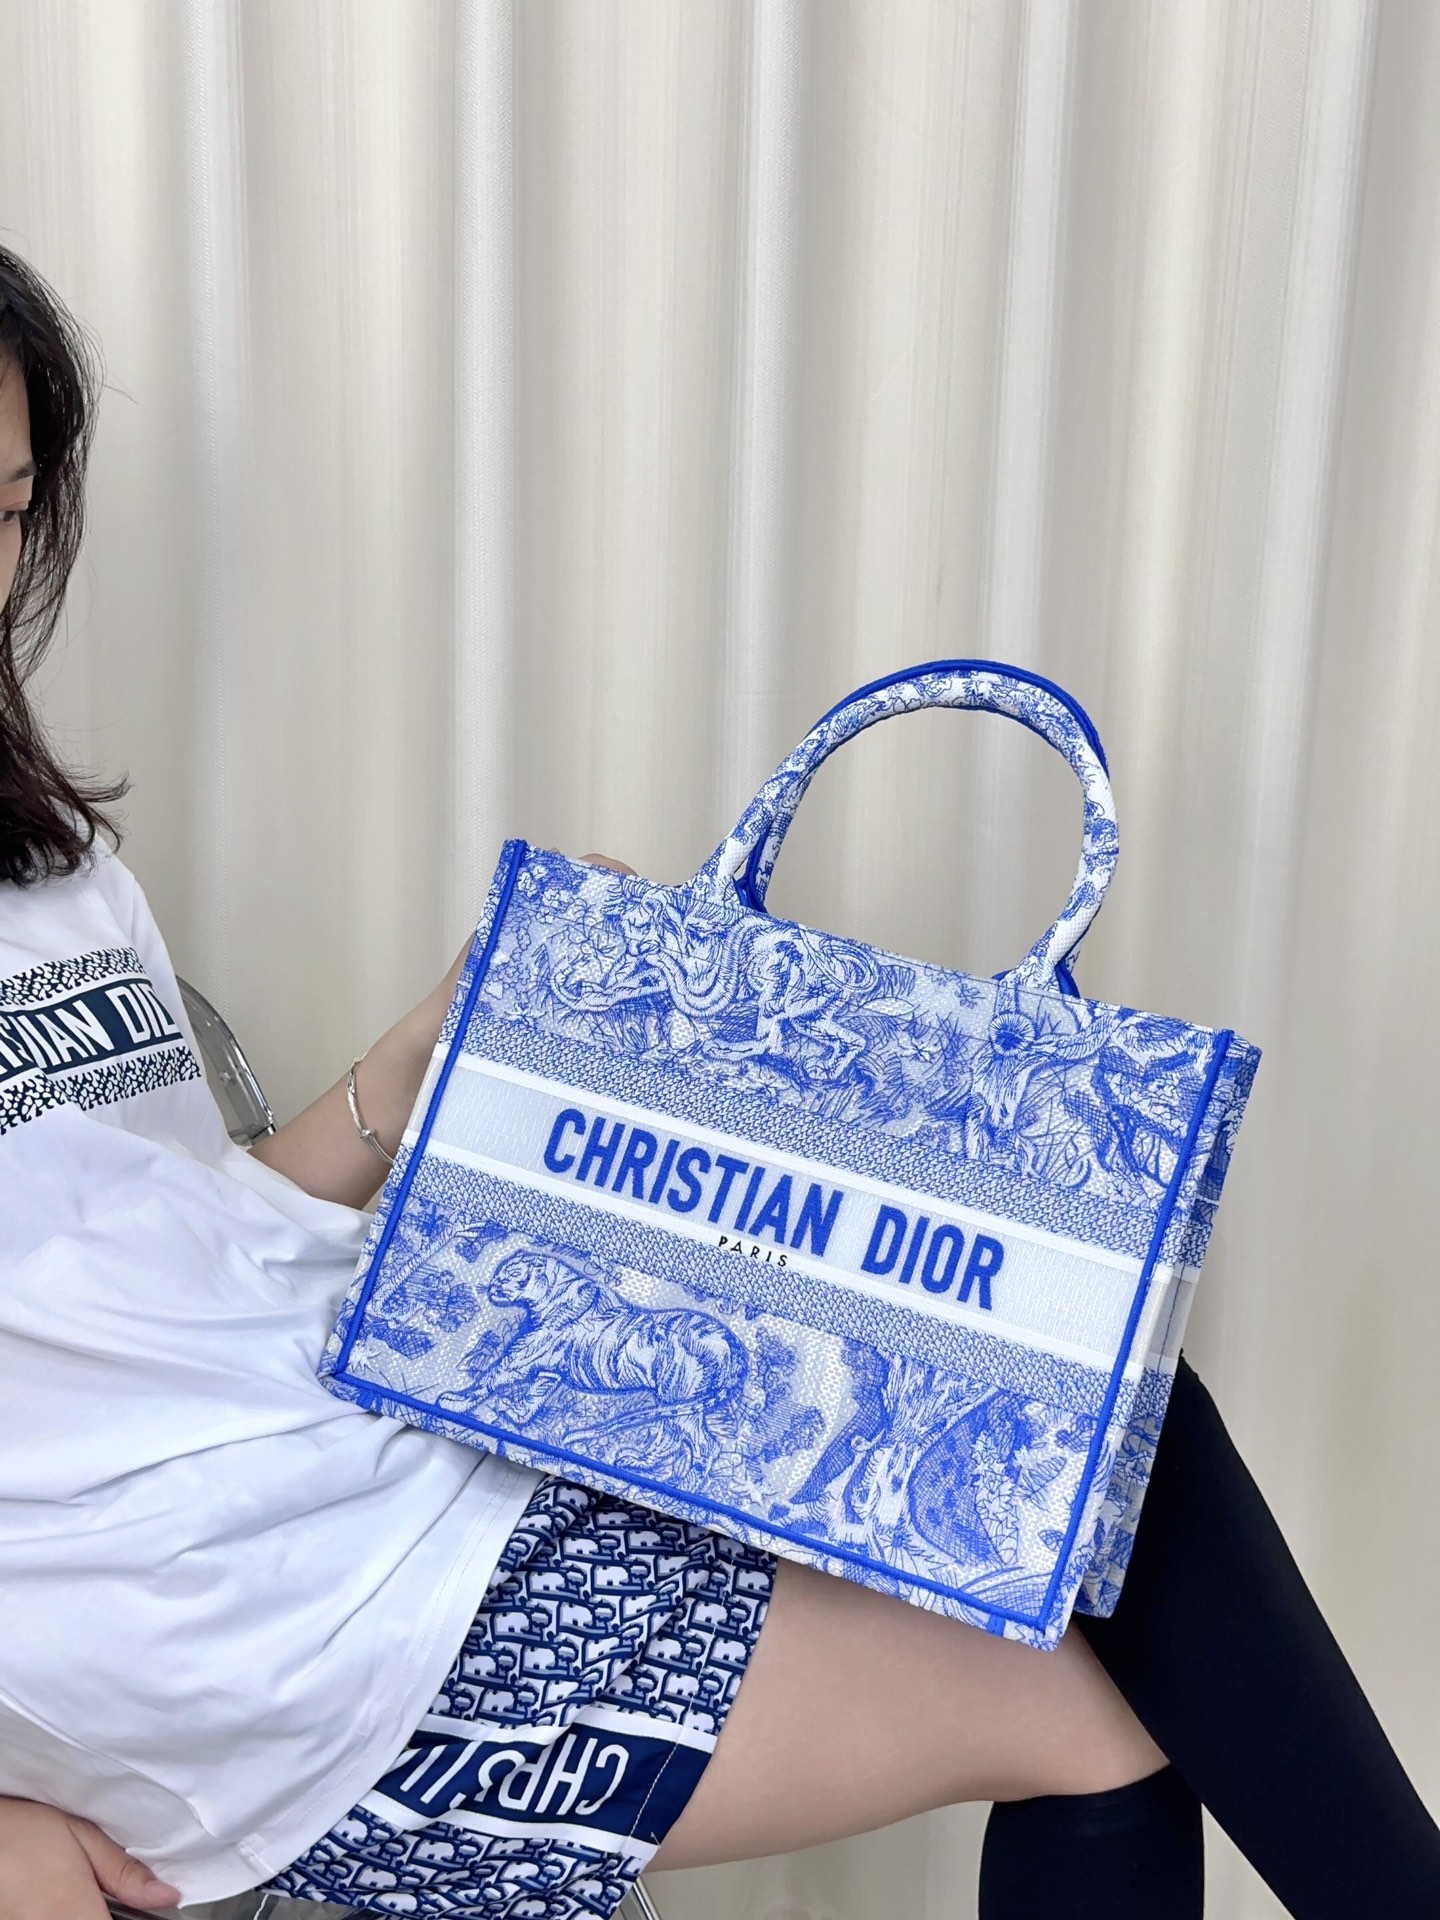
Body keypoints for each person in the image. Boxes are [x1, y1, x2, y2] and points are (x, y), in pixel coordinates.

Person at [0, 242, 1434, 1920]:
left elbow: (162, 1249)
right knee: (1093, 1707)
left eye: (10, 507)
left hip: (343, 1440)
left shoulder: (56, 874)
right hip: (222, 1632)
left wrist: (413, 1060)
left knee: (1059, 1390)